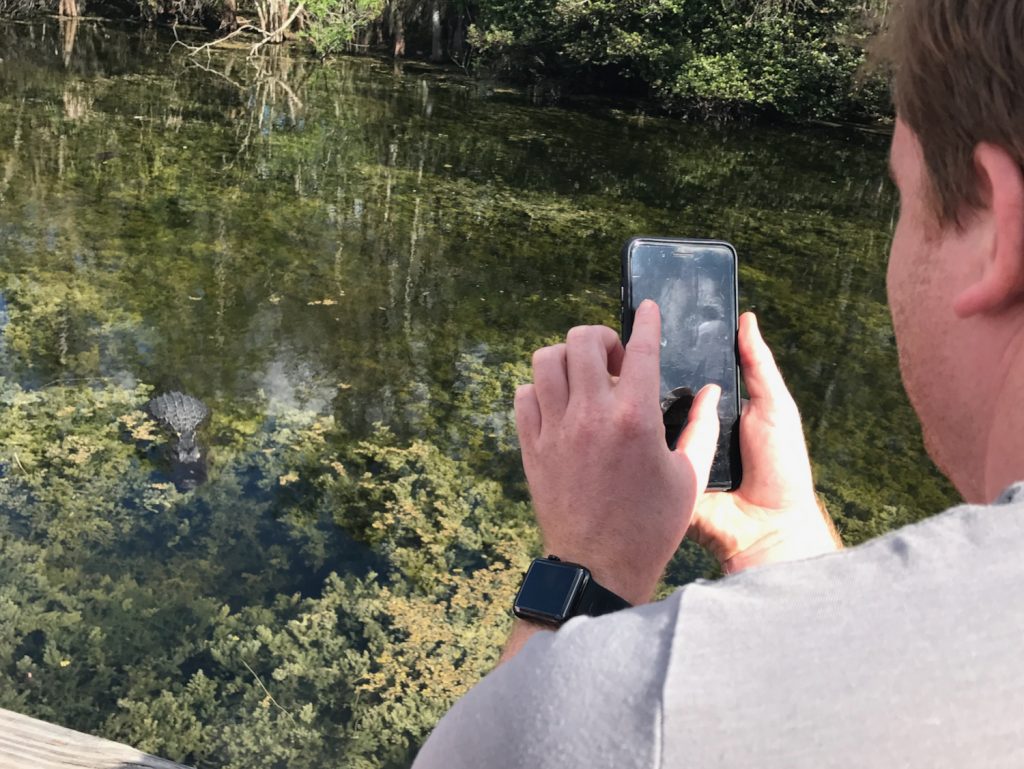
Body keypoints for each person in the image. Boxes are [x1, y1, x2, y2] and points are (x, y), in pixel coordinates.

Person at [413, 0, 1024, 765]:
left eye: (905, 197)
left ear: (1001, 229)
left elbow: (499, 745)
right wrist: (779, 536)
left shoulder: (656, 709)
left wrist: (588, 569)